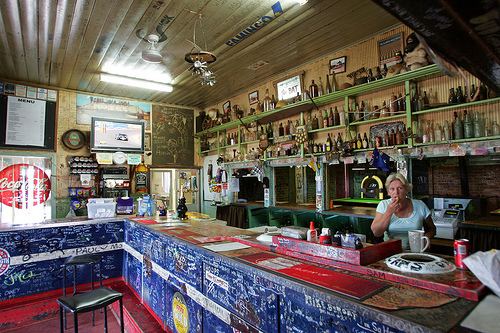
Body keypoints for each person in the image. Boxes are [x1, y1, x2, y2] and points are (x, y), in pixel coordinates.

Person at [371, 172, 436, 250]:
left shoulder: (420, 205)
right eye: (392, 189)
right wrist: (389, 212)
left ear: (406, 190)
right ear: (388, 192)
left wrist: (427, 237)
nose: (396, 193)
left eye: (400, 188)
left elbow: (432, 229)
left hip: (416, 251)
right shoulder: (383, 205)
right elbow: (376, 233)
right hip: (390, 251)